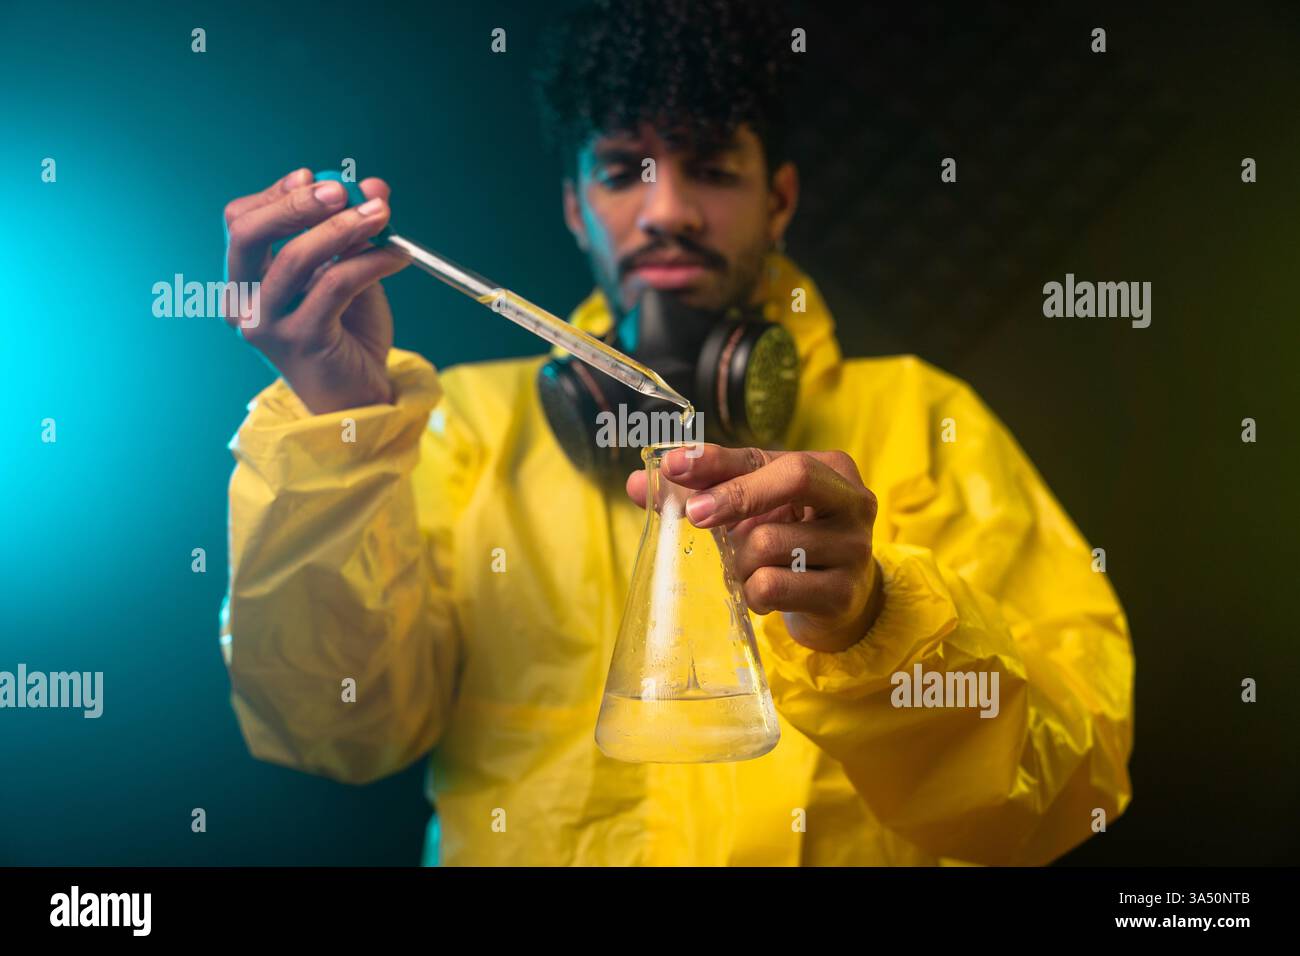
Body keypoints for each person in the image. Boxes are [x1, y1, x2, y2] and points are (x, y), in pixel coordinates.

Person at [218, 0, 1134, 866]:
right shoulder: (461, 429)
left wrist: (874, 622)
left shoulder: (927, 418)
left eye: (711, 166)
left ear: (778, 199)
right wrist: (337, 427)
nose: (665, 211)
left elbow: (1067, 790)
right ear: (577, 208)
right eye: (623, 171)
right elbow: (334, 729)